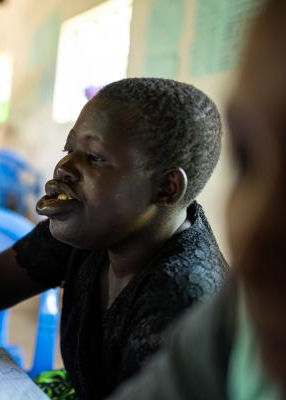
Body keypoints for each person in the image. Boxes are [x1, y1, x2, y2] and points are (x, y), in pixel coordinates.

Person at [0, 78, 229, 399]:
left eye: (94, 158)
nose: (64, 167)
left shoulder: (184, 303)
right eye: (69, 149)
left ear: (165, 187)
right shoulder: (99, 229)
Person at [107, 1, 286, 398]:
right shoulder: (236, 323)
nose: (255, 236)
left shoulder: (188, 290)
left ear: (168, 187)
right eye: (247, 158)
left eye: (96, 158)